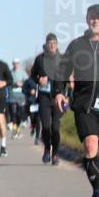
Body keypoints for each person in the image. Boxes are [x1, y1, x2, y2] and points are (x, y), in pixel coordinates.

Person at [54, 4, 99, 197]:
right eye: (91, 17)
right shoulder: (77, 45)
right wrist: (59, 92)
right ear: (87, 20)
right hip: (84, 104)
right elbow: (62, 70)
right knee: (90, 146)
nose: (95, 20)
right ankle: (96, 192)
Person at [30, 33, 64, 165]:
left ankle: (55, 154)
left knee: (56, 128)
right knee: (46, 127)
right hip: (44, 97)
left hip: (58, 98)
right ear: (46, 44)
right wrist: (39, 79)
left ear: (57, 44)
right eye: (50, 43)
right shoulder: (40, 59)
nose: (52, 45)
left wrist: (66, 92)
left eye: (54, 43)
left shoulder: (62, 59)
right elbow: (32, 76)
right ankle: (46, 149)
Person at [8, 58, 28, 138]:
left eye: (17, 63)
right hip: (12, 96)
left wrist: (22, 83)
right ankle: (14, 131)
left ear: (19, 64)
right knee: (13, 113)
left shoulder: (23, 72)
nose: (15, 65)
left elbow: (27, 82)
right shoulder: (10, 72)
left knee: (20, 114)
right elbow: (7, 81)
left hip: (21, 96)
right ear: (12, 64)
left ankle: (18, 131)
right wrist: (14, 83)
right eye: (14, 63)